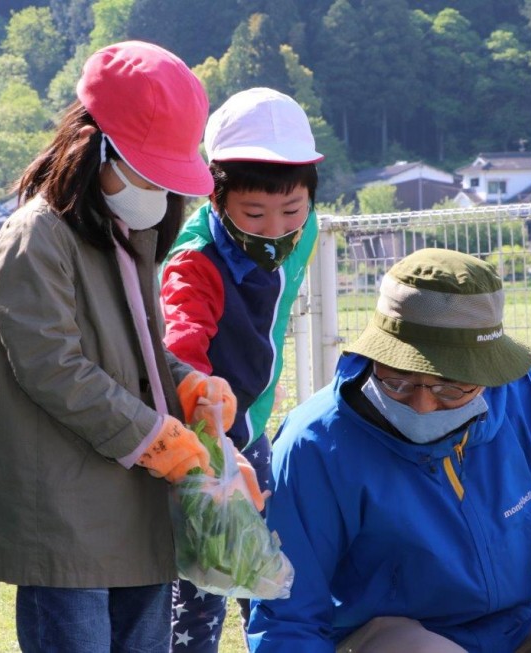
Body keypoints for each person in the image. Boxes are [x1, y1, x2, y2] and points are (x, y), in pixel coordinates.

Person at [0, 40, 260, 653]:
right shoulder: (38, 236)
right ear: (94, 147)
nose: (158, 191)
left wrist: (186, 382)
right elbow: (53, 368)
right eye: (146, 170)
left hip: (135, 503)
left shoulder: (121, 231)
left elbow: (142, 346)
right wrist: (156, 438)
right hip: (65, 511)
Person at [247, 248, 531, 653]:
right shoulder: (315, 443)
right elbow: (289, 610)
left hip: (520, 625)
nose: (423, 405)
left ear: (489, 375)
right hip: (389, 635)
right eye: (398, 382)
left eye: (451, 388)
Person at [160, 87, 324, 652]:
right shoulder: (194, 261)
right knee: (201, 590)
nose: (275, 228)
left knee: (269, 578)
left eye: (292, 210)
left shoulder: (306, 230)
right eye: (254, 212)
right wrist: (211, 447)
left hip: (251, 428)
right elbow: (180, 349)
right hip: (202, 442)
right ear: (215, 193)